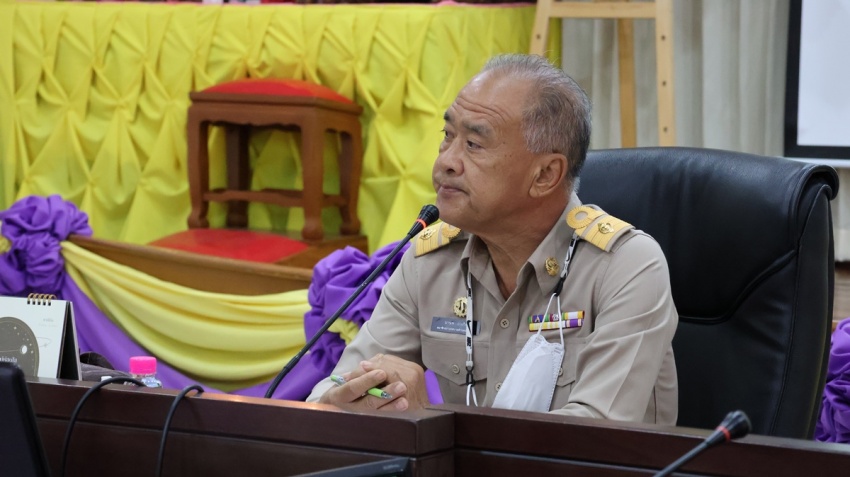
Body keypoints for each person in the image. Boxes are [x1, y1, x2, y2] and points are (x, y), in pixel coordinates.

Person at [306, 53, 678, 425]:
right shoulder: (429, 261)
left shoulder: (625, 267)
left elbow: (593, 437)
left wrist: (432, 426)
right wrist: (353, 400)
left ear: (545, 175)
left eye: (474, 144)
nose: (446, 162)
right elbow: (327, 394)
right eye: (448, 136)